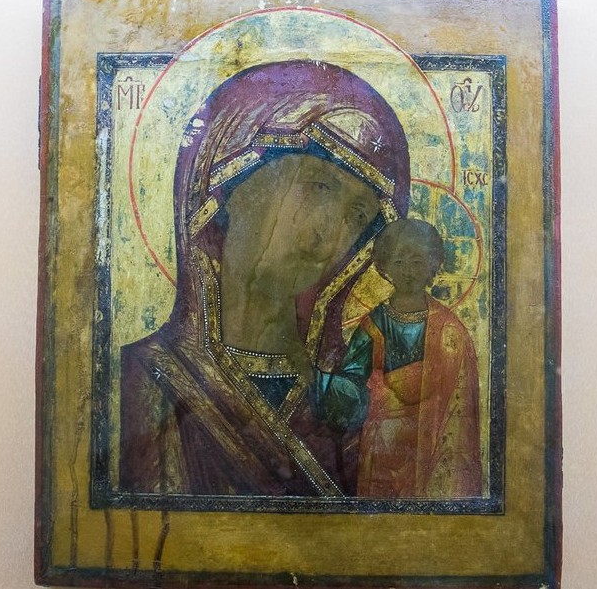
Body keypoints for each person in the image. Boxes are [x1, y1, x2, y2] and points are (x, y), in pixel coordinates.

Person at [119, 60, 412, 497]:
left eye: (357, 215)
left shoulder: (347, 415)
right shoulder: (136, 382)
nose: (327, 234)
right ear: (230, 180)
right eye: (319, 186)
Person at [315, 219, 482, 498]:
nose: (408, 271)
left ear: (432, 266)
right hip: (382, 447)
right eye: (399, 262)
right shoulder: (374, 325)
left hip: (430, 445)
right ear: (386, 268)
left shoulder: (449, 330)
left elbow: (460, 404)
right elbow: (352, 382)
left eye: (417, 262)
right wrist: (324, 382)